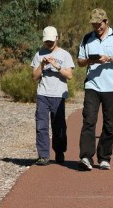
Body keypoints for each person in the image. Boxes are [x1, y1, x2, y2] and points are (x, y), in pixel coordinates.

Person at [76, 8, 113, 171]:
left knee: (109, 123)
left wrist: (109, 58)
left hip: (111, 86)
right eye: (94, 25)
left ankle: (104, 157)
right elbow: (80, 61)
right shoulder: (87, 38)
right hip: (92, 85)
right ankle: (86, 156)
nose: (96, 27)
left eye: (99, 24)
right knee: (89, 120)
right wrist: (89, 61)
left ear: (106, 22)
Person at [31, 26, 75, 166]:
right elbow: (34, 76)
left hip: (58, 95)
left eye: (51, 41)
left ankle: (60, 151)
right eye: (46, 41)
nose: (49, 44)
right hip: (43, 94)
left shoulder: (64, 55)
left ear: (57, 38)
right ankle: (43, 155)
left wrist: (56, 66)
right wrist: (42, 65)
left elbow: (70, 75)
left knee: (59, 126)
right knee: (41, 126)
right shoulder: (39, 54)